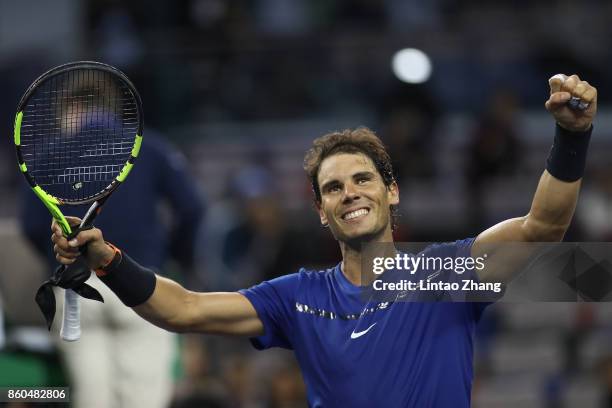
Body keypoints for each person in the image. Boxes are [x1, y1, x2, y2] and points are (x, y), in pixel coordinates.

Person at [51, 73, 596, 407]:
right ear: (321, 212)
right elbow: (185, 310)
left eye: (363, 180)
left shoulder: (445, 272)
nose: (350, 193)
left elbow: (542, 227)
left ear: (392, 192)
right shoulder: (296, 297)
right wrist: (109, 260)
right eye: (333, 187)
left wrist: (572, 137)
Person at [23, 130, 205, 408]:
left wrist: (60, 256)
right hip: (140, 283)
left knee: (92, 399)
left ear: (70, 107)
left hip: (76, 290)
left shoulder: (49, 151)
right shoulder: (149, 147)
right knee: (144, 399)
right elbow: (192, 208)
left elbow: (32, 225)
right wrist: (174, 257)